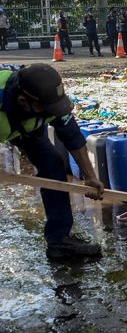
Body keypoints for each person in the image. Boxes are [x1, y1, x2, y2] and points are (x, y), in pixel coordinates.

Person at [0, 64, 104, 259]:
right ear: (23, 101)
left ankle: (59, 240)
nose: (52, 112)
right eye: (47, 108)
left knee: (53, 165)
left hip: (27, 129)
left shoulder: (49, 101)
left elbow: (73, 136)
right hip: (7, 122)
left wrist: (90, 177)